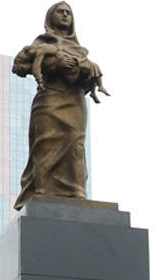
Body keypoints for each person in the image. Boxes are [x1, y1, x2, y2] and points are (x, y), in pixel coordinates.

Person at [11, 3, 107, 209]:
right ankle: (43, 191)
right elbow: (19, 66)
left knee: (76, 145)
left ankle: (76, 191)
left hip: (75, 101)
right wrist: (54, 63)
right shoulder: (41, 43)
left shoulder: (80, 50)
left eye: (68, 13)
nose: (65, 15)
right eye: (60, 12)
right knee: (46, 144)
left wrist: (85, 69)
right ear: (50, 17)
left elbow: (90, 77)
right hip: (50, 99)